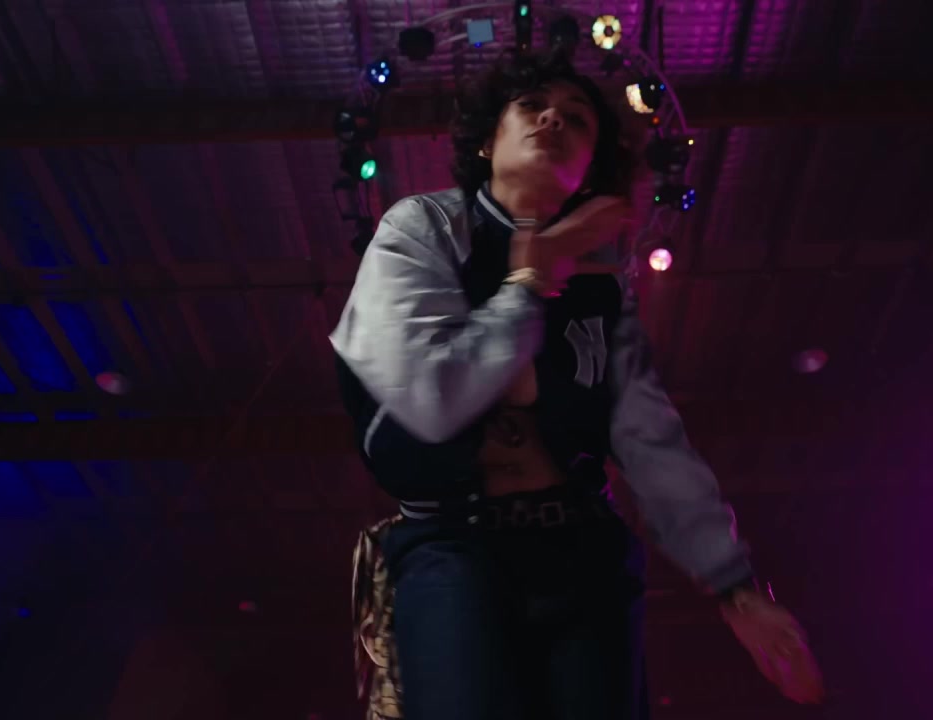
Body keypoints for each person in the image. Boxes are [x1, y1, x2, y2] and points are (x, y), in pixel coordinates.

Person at [332, 51, 823, 720]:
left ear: (591, 166)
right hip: (452, 544)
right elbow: (431, 400)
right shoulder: (421, 229)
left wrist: (735, 587)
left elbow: (650, 441)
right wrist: (531, 279)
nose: (553, 119)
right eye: (531, 107)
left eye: (578, 117)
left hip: (583, 547)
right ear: (486, 142)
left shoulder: (602, 286)